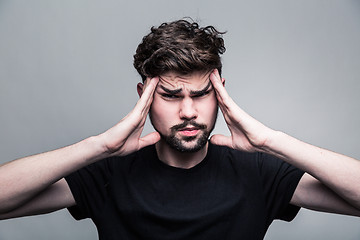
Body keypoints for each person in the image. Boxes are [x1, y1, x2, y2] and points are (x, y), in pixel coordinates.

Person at [0, 19, 359, 239]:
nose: (188, 111)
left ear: (221, 93)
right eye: (171, 96)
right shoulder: (107, 170)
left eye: (202, 94)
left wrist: (271, 142)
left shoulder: (260, 171)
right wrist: (100, 146)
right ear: (144, 96)